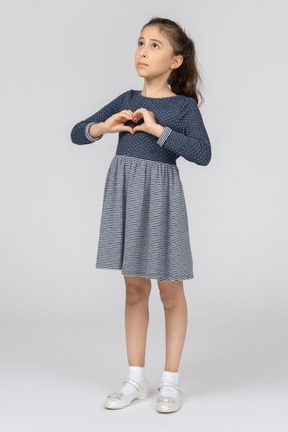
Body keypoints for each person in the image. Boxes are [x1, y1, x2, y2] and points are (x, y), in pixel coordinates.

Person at [70, 17, 212, 413]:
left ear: (176, 61)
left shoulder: (182, 107)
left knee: (169, 288)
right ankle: (136, 378)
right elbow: (77, 132)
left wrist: (156, 130)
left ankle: (171, 382)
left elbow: (202, 154)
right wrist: (105, 125)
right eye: (140, 43)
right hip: (126, 195)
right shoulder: (126, 98)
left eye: (154, 45)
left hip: (162, 197)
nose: (143, 51)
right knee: (134, 287)